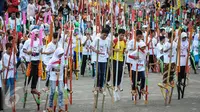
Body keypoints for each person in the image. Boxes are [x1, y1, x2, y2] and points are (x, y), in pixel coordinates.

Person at [23, 29, 42, 95]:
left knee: (36, 74)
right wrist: (28, 52)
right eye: (35, 34)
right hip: (30, 60)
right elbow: (24, 49)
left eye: (37, 35)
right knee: (29, 74)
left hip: (37, 59)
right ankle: (25, 85)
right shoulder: (28, 41)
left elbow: (41, 49)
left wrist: (41, 50)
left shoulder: (39, 41)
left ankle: (33, 88)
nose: (36, 36)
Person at [91, 28, 110, 92]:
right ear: (101, 33)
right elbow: (92, 46)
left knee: (102, 73)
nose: (105, 36)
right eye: (104, 35)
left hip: (104, 59)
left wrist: (109, 52)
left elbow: (107, 49)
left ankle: (101, 86)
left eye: (106, 35)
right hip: (97, 59)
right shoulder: (97, 39)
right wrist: (95, 50)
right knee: (98, 73)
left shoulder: (107, 40)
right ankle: (96, 86)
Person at [46, 47, 65, 111]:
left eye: (62, 54)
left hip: (60, 77)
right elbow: (47, 69)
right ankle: (50, 106)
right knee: (53, 92)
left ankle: (60, 107)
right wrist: (55, 70)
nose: (61, 55)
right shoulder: (52, 60)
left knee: (61, 92)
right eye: (60, 54)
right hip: (53, 78)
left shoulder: (62, 59)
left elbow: (63, 66)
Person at [177, 32, 189, 99]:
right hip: (180, 60)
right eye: (183, 37)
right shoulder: (179, 42)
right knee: (179, 73)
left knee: (184, 74)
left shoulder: (187, 42)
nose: (184, 38)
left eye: (185, 37)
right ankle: (179, 82)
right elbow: (177, 48)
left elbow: (188, 49)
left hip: (185, 60)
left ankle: (182, 81)